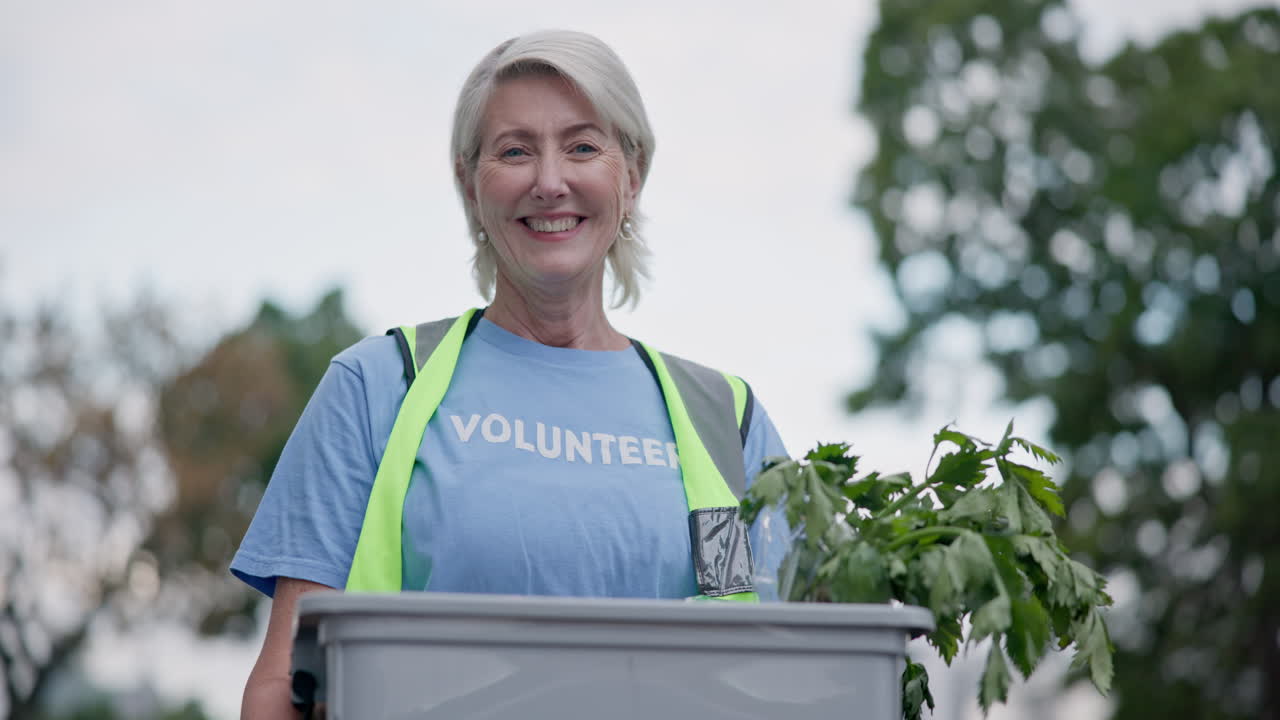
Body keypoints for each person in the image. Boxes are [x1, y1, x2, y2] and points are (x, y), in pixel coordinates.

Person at [234, 29, 789, 719]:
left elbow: (787, 665)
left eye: (583, 146)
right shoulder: (379, 388)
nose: (550, 181)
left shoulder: (725, 421)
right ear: (470, 183)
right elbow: (282, 686)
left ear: (632, 174)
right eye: (515, 151)